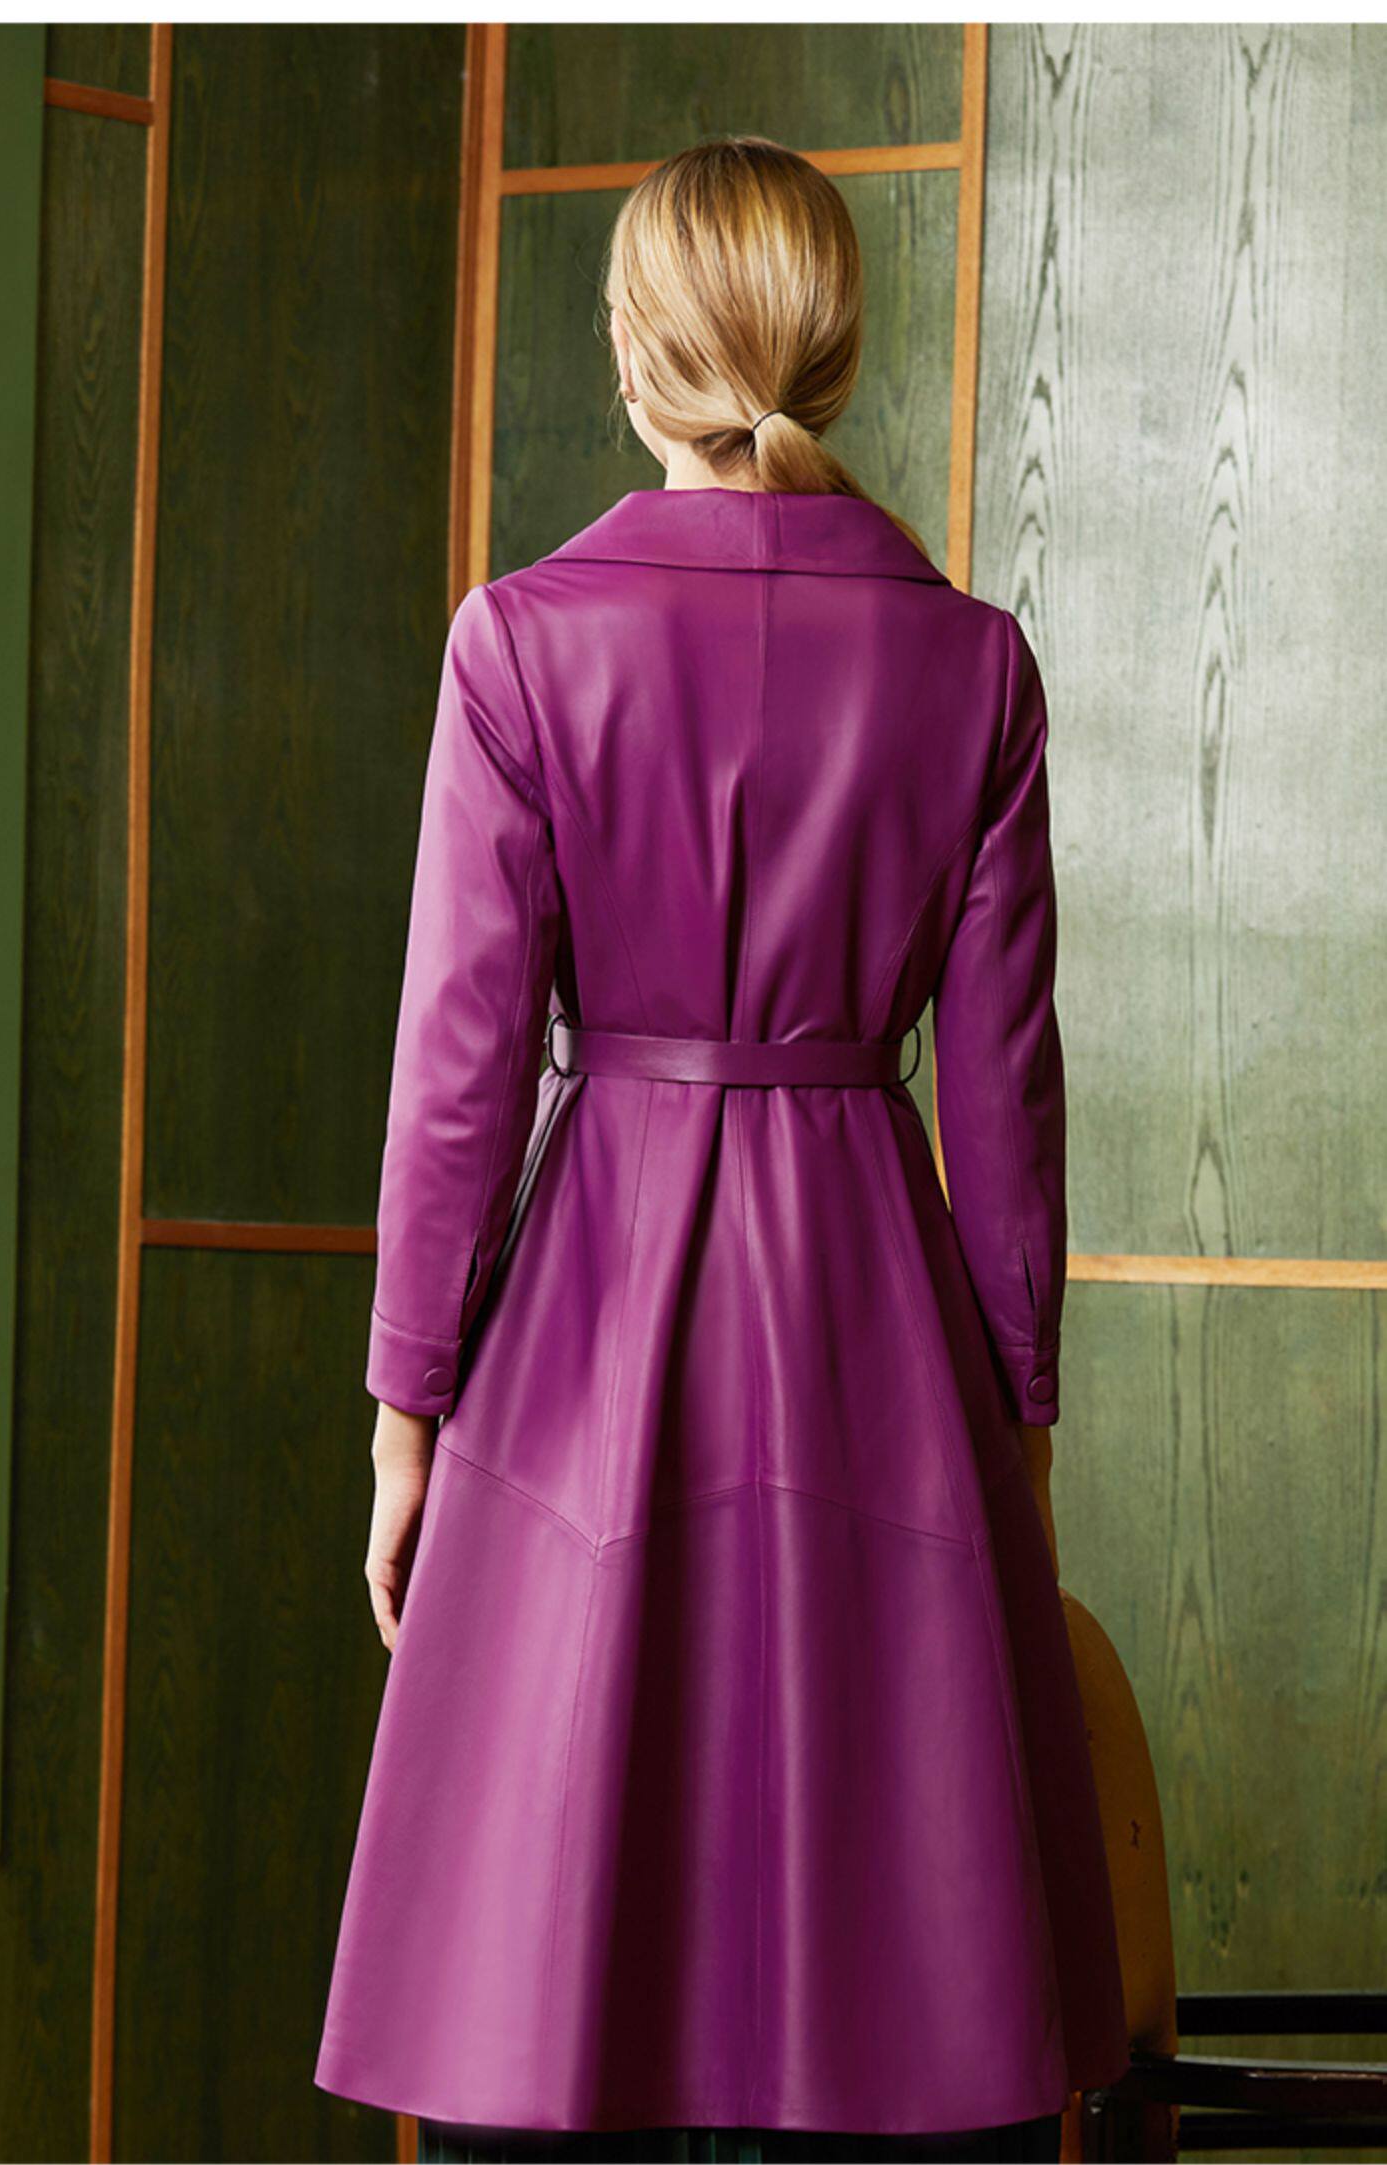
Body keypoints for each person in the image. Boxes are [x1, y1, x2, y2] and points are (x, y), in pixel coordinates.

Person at [313, 135, 1130, 2162]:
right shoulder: (974, 667)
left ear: (631, 353)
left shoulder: (523, 644)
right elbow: (1007, 1104)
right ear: (833, 353)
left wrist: (409, 1416)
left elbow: (457, 1077)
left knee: (560, 1952)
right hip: (886, 1337)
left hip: (586, 1325)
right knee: (888, 1953)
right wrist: (1017, 1422)